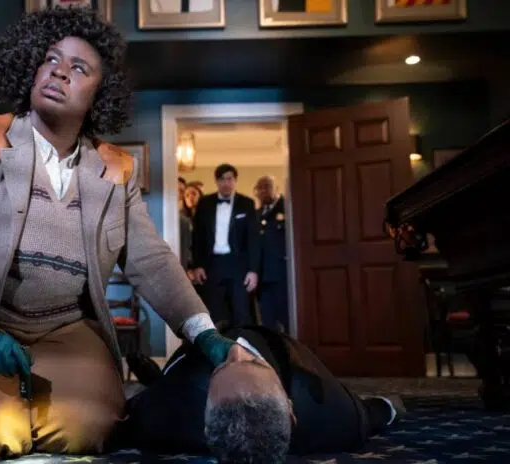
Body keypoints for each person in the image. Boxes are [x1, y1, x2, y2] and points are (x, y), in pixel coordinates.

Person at [0, 7, 235, 463]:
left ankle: (23, 410)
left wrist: (203, 332)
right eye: (51, 59)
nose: (59, 71)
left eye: (79, 68)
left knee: (89, 428)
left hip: (67, 328)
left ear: (100, 94)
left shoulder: (117, 170)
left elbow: (152, 261)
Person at [117, 325, 404, 463]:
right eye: (255, 364)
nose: (235, 351)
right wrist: (389, 407)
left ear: (205, 425)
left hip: (192, 359)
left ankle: (157, 378)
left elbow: (128, 415)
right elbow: (371, 414)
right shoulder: (336, 416)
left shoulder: (165, 417)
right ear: (290, 410)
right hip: (279, 344)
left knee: (166, 385)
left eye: (222, 368)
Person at [192, 164, 260, 327]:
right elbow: (197, 237)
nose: (226, 183)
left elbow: (253, 239)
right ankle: (216, 344)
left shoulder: (247, 204)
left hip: (238, 266)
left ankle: (242, 343)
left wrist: (253, 270)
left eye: (230, 179)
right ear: (216, 181)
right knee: (214, 313)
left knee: (241, 312)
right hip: (213, 266)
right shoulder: (205, 204)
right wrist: (198, 265)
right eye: (222, 179)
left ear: (235, 180)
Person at [254, 175, 290, 330]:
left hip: (283, 277)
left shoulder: (288, 209)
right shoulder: (256, 214)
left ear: (276, 189)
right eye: (259, 188)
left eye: (267, 186)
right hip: (263, 279)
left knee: (287, 321)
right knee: (267, 323)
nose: (263, 191)